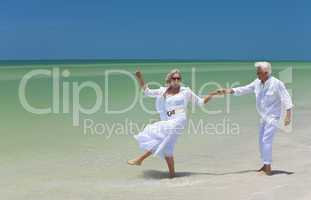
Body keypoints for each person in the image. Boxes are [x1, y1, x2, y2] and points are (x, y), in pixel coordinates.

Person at [127, 68, 219, 178]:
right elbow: (147, 92)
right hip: (169, 120)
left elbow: (201, 102)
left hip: (179, 120)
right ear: (170, 79)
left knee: (160, 136)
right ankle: (172, 176)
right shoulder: (163, 91)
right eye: (174, 78)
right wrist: (139, 78)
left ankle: (140, 159)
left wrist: (213, 93)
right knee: (167, 148)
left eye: (178, 78)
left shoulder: (186, 91)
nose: (176, 80)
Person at [218, 61, 293, 175]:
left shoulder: (276, 83)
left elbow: (286, 98)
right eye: (257, 72)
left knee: (266, 140)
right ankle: (264, 164)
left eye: (259, 73)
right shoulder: (257, 82)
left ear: (266, 72)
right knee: (261, 141)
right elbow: (244, 89)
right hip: (263, 116)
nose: (257, 75)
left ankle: (268, 168)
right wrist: (228, 91)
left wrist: (288, 116)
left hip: (273, 116)